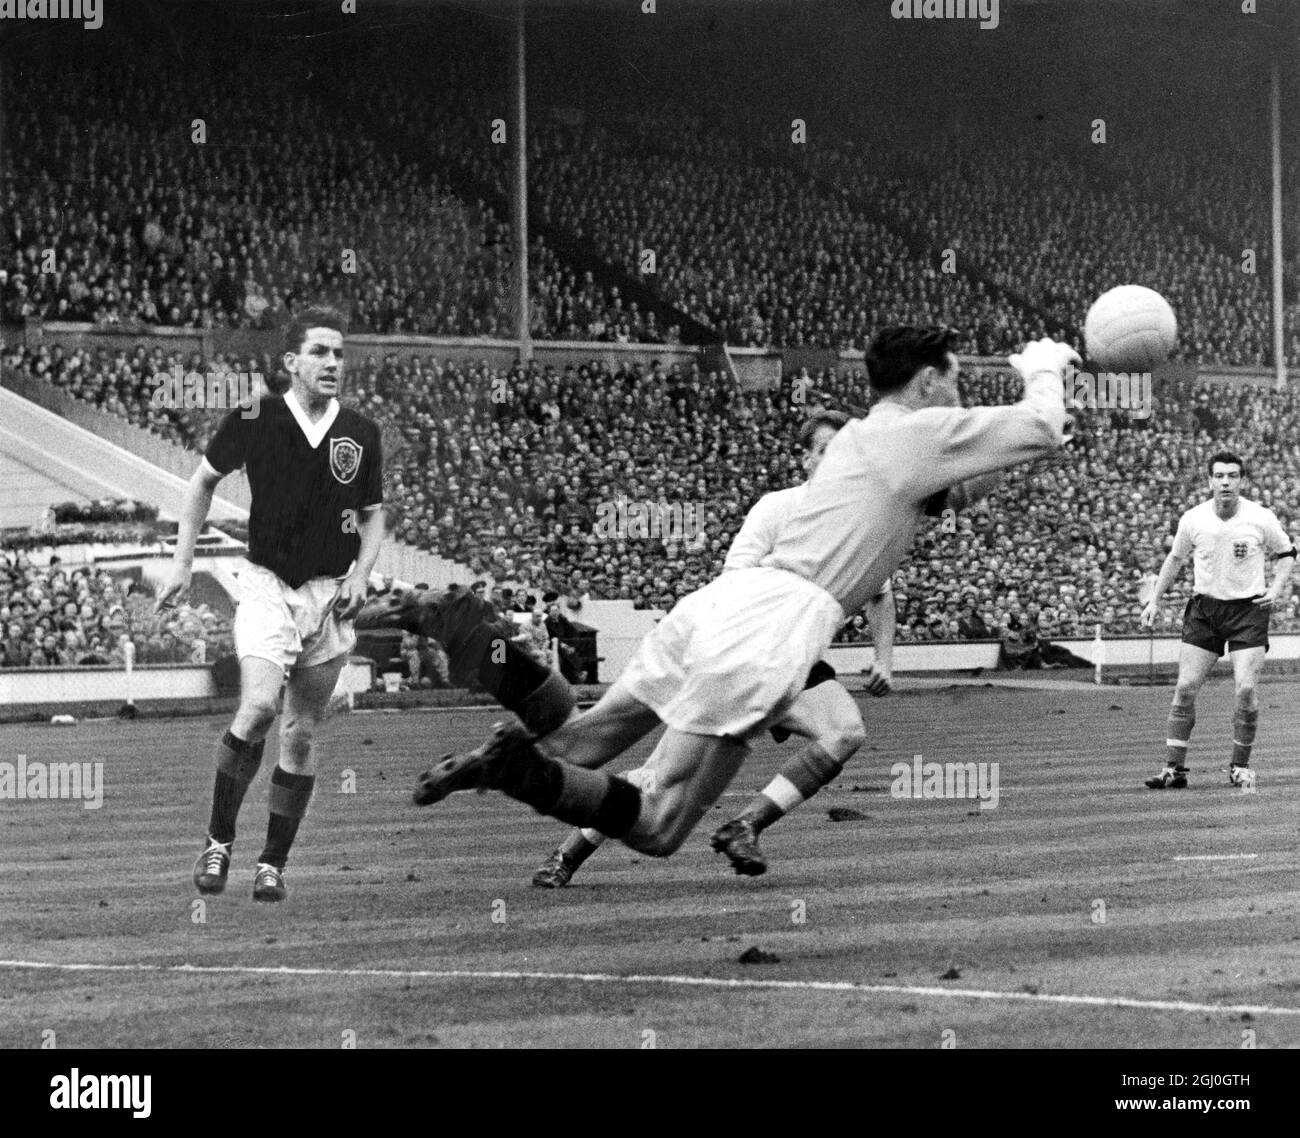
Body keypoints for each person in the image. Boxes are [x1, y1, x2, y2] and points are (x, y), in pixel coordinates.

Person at [413, 329, 1075, 861]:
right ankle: (513, 759)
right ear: (927, 380)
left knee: (578, 747)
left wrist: (1017, 453)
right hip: (775, 624)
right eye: (954, 381)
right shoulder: (913, 434)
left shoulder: (866, 444)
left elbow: (956, 489)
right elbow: (1040, 426)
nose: (958, 397)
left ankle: (499, 737)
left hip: (718, 608)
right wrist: (1046, 368)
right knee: (661, 827)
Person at [530, 409, 897, 886]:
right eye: (824, 450)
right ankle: (569, 853)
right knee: (665, 775)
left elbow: (881, 593)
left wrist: (883, 659)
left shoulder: (860, 520)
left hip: (796, 663)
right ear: (805, 460)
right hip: (742, 653)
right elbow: (736, 579)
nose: (835, 459)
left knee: (845, 732)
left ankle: (745, 825)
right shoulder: (777, 508)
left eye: (844, 449)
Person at [158, 305, 387, 902]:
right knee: (259, 708)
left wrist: (363, 572)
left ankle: (272, 864)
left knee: (302, 734)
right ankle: (218, 841)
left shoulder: (361, 433)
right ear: (291, 362)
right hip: (264, 586)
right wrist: (182, 563)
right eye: (319, 352)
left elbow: (372, 513)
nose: (332, 362)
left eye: (339, 352)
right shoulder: (254, 417)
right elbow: (202, 481)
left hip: (328, 598)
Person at [1139, 451, 1296, 792]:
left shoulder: (1260, 517)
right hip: (1205, 610)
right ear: (1209, 480)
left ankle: (1240, 768)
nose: (1226, 481)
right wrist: (1154, 599)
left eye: (1233, 475)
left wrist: (1276, 588)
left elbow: (1286, 554)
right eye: (1219, 475)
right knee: (1184, 688)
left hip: (1248, 611)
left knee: (1246, 689)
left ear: (1242, 480)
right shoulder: (1193, 519)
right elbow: (1175, 558)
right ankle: (1174, 770)